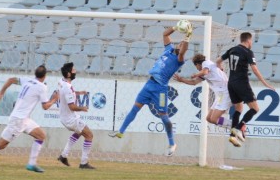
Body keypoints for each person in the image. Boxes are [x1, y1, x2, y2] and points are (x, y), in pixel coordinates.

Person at [110, 26, 189, 155]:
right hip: (149, 85)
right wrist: (176, 27)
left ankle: (172, 143)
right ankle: (121, 132)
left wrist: (187, 37)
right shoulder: (168, 50)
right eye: (180, 43)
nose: (181, 45)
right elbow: (165, 34)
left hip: (161, 89)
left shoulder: (179, 59)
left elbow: (183, 51)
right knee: (135, 108)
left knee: (164, 117)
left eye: (183, 45)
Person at [0, 65, 59, 174]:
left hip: (24, 119)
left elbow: (11, 80)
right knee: (1, 144)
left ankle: (32, 164)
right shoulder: (42, 87)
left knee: (41, 135)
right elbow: (45, 106)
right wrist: (54, 99)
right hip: (19, 120)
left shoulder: (28, 80)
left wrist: (1, 92)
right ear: (45, 76)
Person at [221, 31, 273, 146]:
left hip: (231, 83)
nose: (252, 43)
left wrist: (221, 69)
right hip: (242, 83)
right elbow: (254, 69)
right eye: (251, 41)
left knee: (238, 109)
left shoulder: (232, 50)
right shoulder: (248, 52)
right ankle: (238, 128)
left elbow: (218, 61)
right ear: (249, 40)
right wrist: (265, 83)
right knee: (255, 109)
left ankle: (232, 136)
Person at [174, 53, 231, 132]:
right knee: (209, 118)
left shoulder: (206, 63)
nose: (197, 69)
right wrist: (181, 80)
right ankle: (234, 127)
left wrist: (196, 74)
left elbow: (205, 72)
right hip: (220, 95)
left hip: (225, 92)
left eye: (196, 67)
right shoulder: (205, 69)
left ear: (197, 64)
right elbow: (194, 82)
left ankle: (236, 126)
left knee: (214, 119)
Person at [56, 63, 96, 169]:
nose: (75, 71)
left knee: (78, 133)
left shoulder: (61, 81)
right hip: (70, 119)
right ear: (69, 74)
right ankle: (84, 163)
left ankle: (63, 156)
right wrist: (82, 108)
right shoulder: (67, 87)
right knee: (89, 135)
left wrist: (79, 93)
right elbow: (72, 107)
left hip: (65, 117)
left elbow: (66, 94)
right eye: (73, 70)